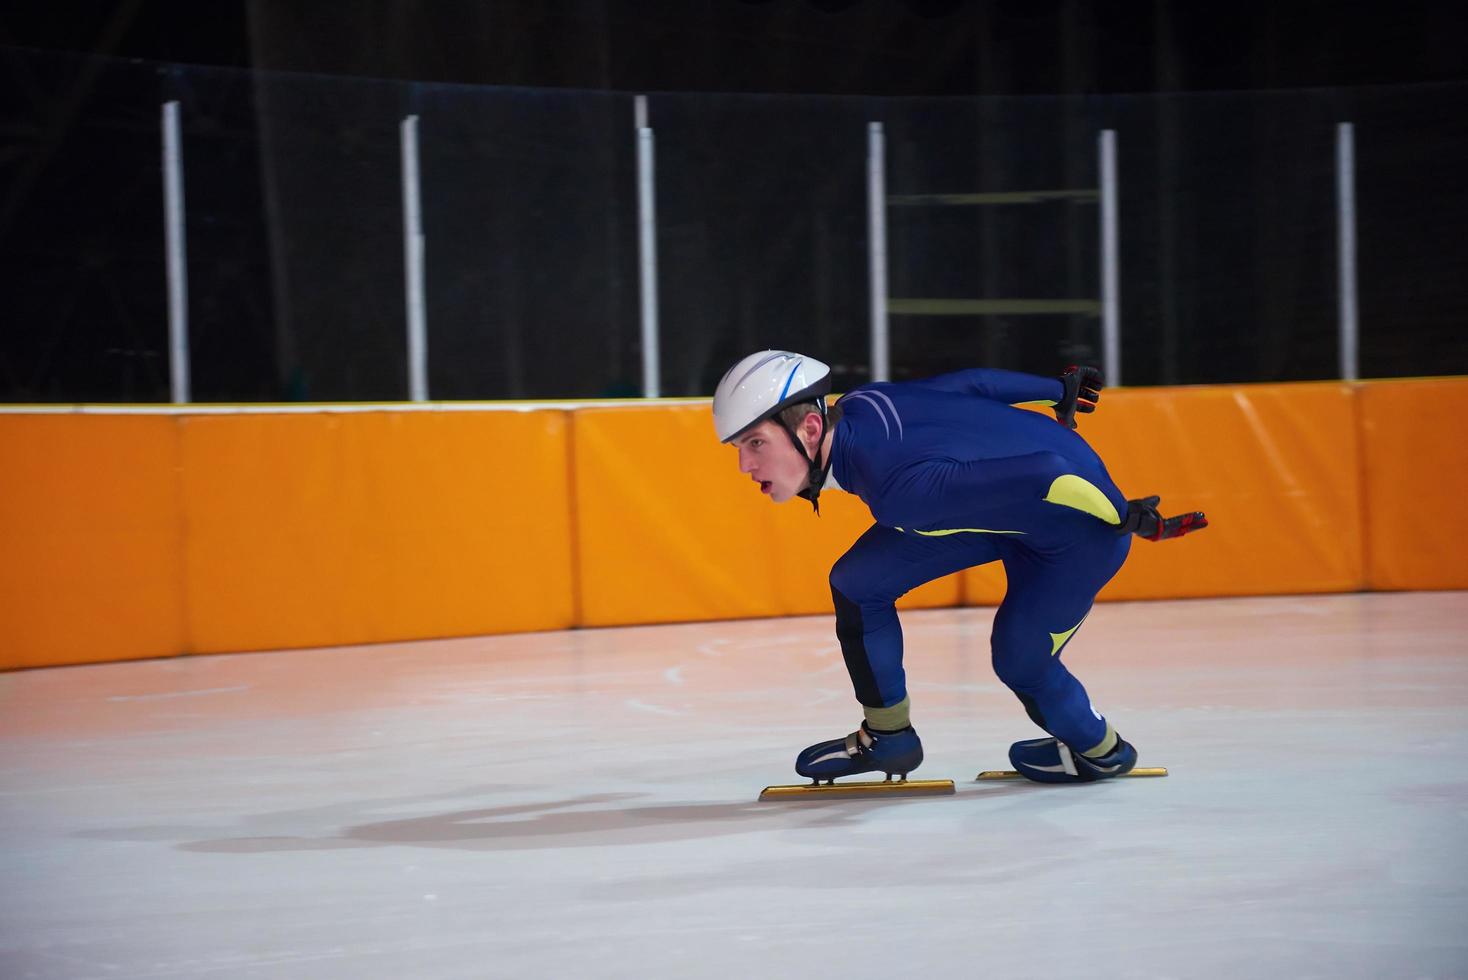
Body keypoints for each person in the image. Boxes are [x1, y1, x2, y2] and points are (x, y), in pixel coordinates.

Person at [712, 350, 1207, 784]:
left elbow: (1047, 474)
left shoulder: (898, 490)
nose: (744, 466)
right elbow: (969, 385)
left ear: (811, 428)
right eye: (739, 448)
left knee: (1019, 660)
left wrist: (1126, 516)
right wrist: (1055, 389)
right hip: (1010, 512)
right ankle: (889, 737)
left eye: (755, 443)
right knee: (858, 583)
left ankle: (1104, 752)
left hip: (1078, 534)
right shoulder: (863, 404)